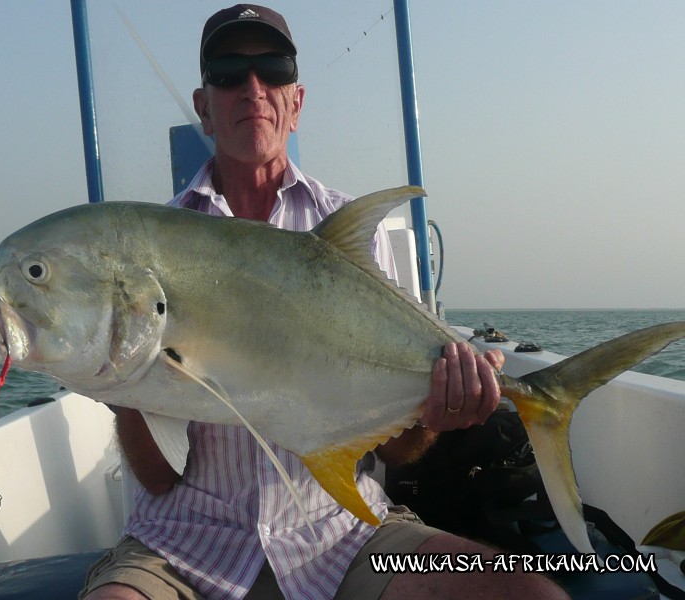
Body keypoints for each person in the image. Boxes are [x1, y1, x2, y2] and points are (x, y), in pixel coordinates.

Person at [81, 5, 568, 599]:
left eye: (273, 69)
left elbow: (400, 451)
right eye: (229, 72)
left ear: (297, 100)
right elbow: (158, 480)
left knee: (529, 595)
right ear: (204, 105)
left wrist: (435, 411)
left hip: (339, 536)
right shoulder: (161, 246)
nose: (253, 88)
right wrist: (120, 382)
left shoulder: (343, 229)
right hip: (182, 545)